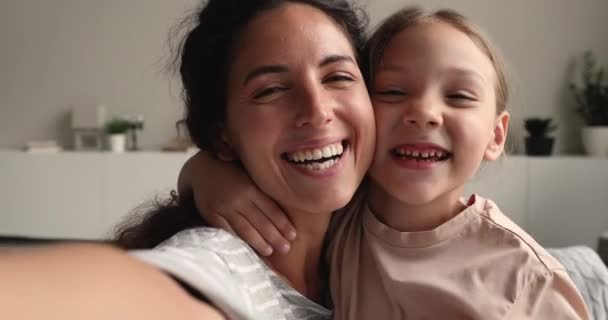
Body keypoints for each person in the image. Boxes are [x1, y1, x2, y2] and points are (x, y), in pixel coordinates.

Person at [180, 5, 591, 320]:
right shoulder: (341, 215)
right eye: (393, 91)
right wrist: (205, 172)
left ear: (496, 135)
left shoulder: (529, 281)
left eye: (460, 96)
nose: (424, 113)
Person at [0, 0, 375, 319]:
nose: (317, 110)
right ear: (222, 134)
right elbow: (134, 293)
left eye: (338, 76)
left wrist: (198, 172)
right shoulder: (221, 265)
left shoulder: (384, 222)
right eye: (271, 90)